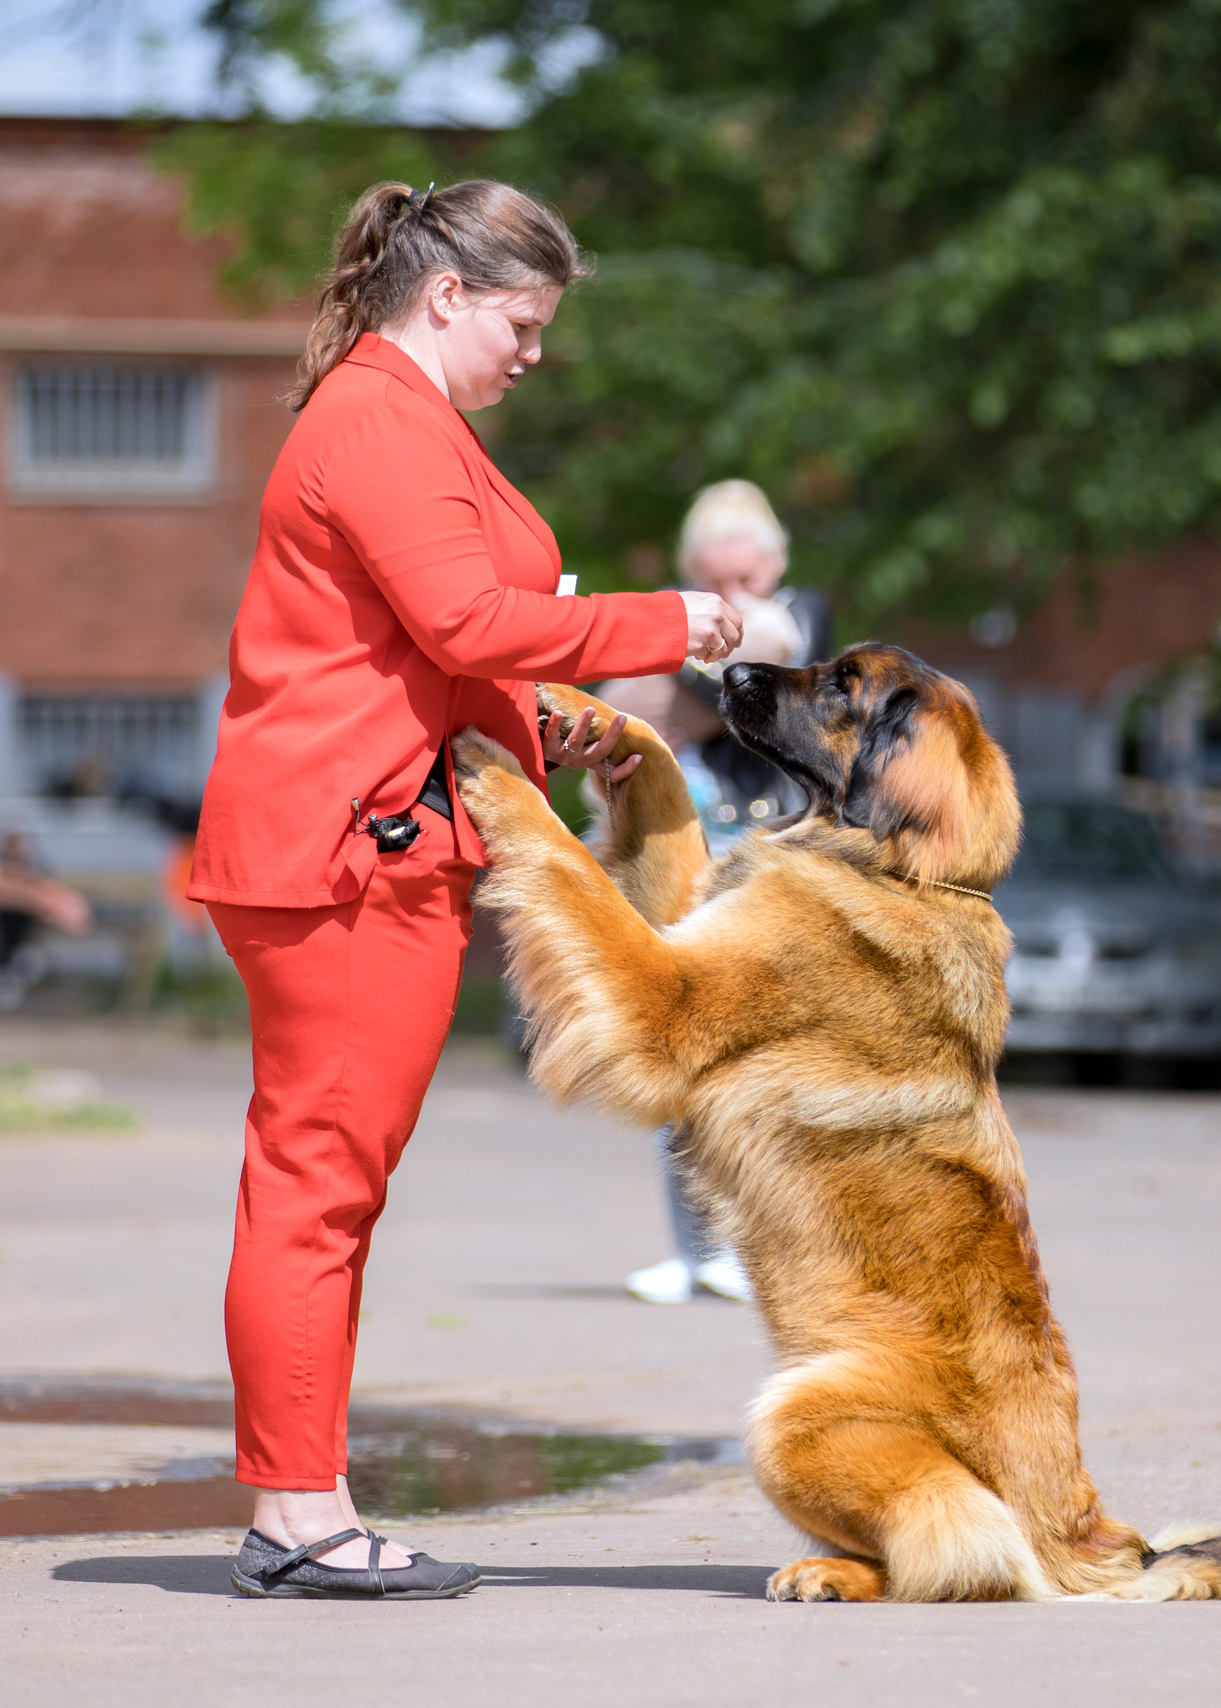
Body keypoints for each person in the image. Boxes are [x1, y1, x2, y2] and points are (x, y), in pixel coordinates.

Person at [186, 178, 745, 1600]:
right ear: (445, 298)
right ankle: (298, 1520)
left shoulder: (398, 418)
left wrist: (543, 724)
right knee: (319, 1190)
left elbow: (427, 651)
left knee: (325, 1191)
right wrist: (669, 623)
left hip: (360, 843)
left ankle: (302, 1504)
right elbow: (459, 617)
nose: (535, 351)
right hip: (342, 860)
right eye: (524, 320)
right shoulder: (379, 420)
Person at [591, 480, 831, 1304]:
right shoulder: (692, 614)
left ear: (778, 562)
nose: (732, 600)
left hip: (771, 857)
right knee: (679, 1053)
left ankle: (759, 1248)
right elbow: (622, 708)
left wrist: (682, 670)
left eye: (747, 581)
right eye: (714, 583)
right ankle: (695, 1252)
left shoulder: (808, 611)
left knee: (765, 1065)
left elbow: (763, 681)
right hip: (684, 852)